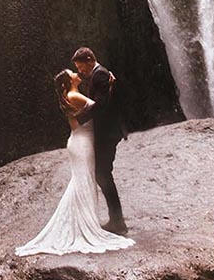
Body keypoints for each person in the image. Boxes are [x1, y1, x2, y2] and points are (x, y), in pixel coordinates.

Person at [14, 68, 134, 257]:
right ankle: (84, 224)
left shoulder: (72, 94)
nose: (77, 74)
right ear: (68, 81)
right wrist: (110, 86)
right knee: (83, 182)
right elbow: (98, 108)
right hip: (82, 143)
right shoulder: (73, 95)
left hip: (80, 141)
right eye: (73, 74)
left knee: (82, 182)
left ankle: (85, 221)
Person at [71, 47, 128, 234]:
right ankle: (116, 220)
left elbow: (101, 105)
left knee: (103, 174)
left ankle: (117, 221)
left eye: (82, 67)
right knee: (103, 174)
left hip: (108, 133)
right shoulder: (100, 74)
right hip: (106, 132)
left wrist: (77, 119)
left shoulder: (100, 75)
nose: (81, 71)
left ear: (89, 60)